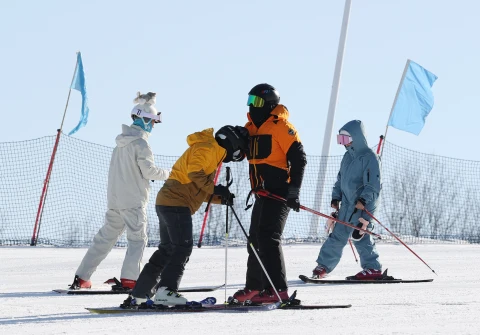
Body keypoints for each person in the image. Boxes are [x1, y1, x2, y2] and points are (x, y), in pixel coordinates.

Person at [123, 125, 250, 306]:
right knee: (182, 247)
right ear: (232, 143)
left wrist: (221, 198)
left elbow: (198, 186)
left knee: (167, 250)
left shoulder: (211, 151)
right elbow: (195, 174)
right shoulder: (208, 148)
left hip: (169, 202)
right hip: (176, 203)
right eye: (239, 153)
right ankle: (166, 291)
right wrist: (216, 188)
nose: (237, 157)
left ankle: (140, 293)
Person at [70, 92, 170, 290]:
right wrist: (170, 173)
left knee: (105, 239)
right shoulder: (141, 144)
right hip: (133, 201)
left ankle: (82, 277)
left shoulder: (120, 144)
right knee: (137, 239)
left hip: (115, 201)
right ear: (144, 119)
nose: (152, 126)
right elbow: (149, 171)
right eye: (152, 121)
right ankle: (130, 280)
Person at [231, 83, 307, 304]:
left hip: (280, 192)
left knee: (268, 238)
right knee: (254, 240)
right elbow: (242, 154)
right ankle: (255, 288)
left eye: (256, 102)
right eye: (249, 101)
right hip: (262, 193)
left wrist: (294, 191)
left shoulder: (282, 127)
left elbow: (299, 159)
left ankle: (278, 289)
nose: (251, 106)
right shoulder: (252, 127)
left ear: (269, 103)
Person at [312, 120, 382, 280]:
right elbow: (340, 180)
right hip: (347, 206)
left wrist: (364, 200)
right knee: (337, 235)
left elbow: (373, 184)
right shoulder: (347, 157)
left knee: (360, 236)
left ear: (356, 137)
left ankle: (373, 268)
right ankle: (323, 266)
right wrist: (336, 196)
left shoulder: (370, 158)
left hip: (363, 206)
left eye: (345, 139)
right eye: (340, 139)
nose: (342, 143)